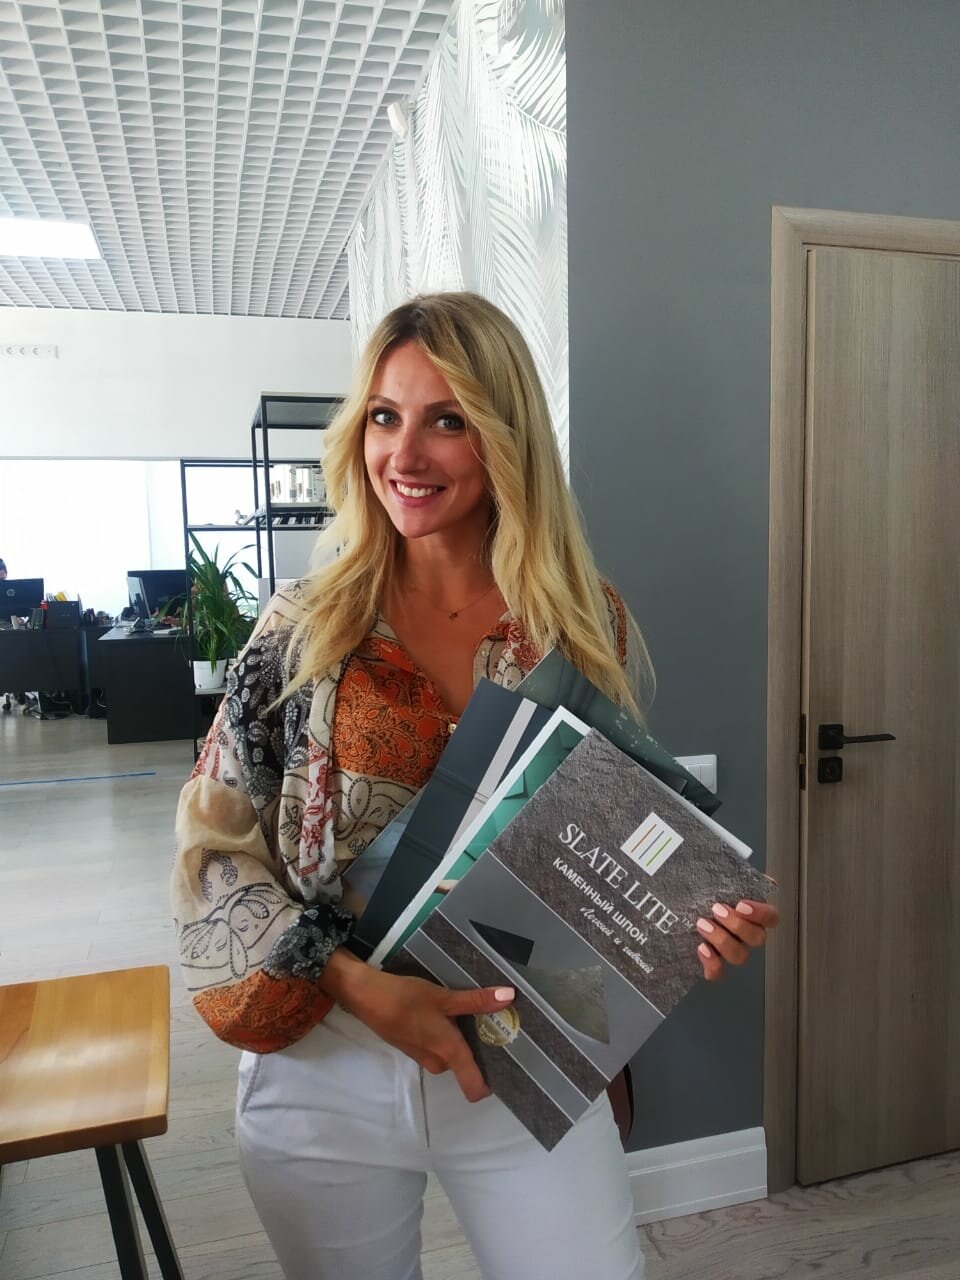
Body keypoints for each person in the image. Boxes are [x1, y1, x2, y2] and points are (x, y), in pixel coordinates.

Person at [171, 292, 778, 1280]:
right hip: (327, 1061)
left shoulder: (581, 621)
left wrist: (685, 918)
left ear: (505, 435)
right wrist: (364, 989)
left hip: (523, 1048)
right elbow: (212, 851)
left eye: (447, 420)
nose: (405, 454)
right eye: (385, 416)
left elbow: (607, 828)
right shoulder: (301, 627)